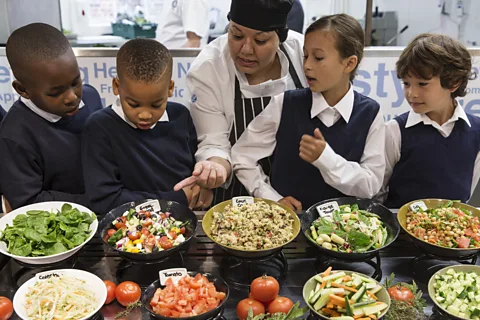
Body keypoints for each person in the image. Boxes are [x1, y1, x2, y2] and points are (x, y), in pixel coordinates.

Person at [231, 14, 386, 210]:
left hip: (346, 233)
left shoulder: (370, 114)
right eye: (305, 56)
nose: (307, 65)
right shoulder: (285, 104)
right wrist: (270, 197)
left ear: (349, 63)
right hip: (285, 228)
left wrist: (325, 158)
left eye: (318, 57)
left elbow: (370, 186)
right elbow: (241, 156)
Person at [175, 0, 307, 205]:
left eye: (260, 41)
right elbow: (214, 142)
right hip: (233, 201)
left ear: (280, 38)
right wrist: (215, 168)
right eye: (236, 35)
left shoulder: (304, 53)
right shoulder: (209, 68)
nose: (246, 49)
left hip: (296, 195)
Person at [82, 39, 212, 215]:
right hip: (131, 231)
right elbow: (105, 200)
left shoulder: (180, 116)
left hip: (187, 220)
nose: (145, 115)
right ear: (116, 86)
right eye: (133, 104)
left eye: (156, 105)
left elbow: (194, 175)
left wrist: (202, 188)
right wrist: (178, 199)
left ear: (170, 88)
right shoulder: (99, 127)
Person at [0, 23, 102, 210]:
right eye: (55, 93)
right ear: (23, 90)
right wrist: (97, 201)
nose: (72, 98)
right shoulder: (13, 137)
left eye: (75, 82)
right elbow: (28, 201)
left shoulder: (92, 97)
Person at [379, 34, 480, 208]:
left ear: (454, 82)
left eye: (422, 84)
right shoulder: (395, 131)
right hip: (400, 231)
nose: (412, 93)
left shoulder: (476, 132)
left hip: (452, 231)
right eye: (406, 83)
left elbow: (467, 190)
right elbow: (378, 192)